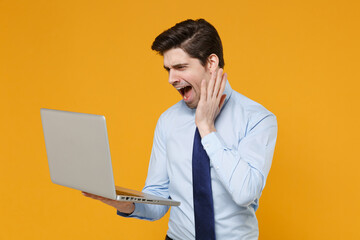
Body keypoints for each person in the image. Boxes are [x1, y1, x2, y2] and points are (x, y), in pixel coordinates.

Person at [83, 19, 278, 240]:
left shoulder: (257, 118)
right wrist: (125, 203)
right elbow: (157, 200)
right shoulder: (168, 121)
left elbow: (245, 192)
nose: (171, 79)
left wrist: (206, 128)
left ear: (211, 63)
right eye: (168, 69)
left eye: (181, 67)